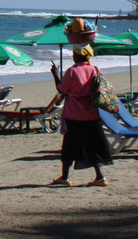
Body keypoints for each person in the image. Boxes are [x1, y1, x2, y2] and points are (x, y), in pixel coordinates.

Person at [50, 43, 113, 186]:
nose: (72, 56)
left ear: (78, 56)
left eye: (74, 54)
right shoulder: (96, 70)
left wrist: (55, 75)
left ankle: (65, 178)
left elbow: (61, 89)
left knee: (69, 146)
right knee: (93, 145)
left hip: (74, 115)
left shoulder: (71, 71)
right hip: (93, 113)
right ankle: (100, 177)